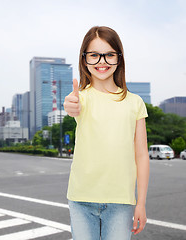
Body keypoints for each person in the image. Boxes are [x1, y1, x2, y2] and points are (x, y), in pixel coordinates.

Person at [64, 26, 149, 240]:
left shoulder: (135, 102)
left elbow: (141, 156)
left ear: (119, 59)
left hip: (121, 201)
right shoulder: (80, 98)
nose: (102, 61)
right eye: (94, 55)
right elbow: (72, 107)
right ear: (84, 60)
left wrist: (141, 203)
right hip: (81, 198)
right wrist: (70, 105)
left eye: (109, 54)